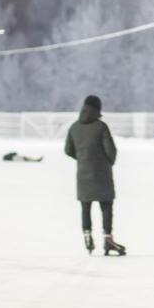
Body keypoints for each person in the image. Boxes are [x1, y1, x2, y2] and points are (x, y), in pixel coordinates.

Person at [64, 95, 125, 256]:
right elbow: (111, 150)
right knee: (106, 205)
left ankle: (87, 236)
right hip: (102, 173)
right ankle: (108, 238)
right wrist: (107, 162)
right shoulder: (101, 127)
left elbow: (68, 150)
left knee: (85, 206)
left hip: (83, 172)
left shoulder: (74, 127)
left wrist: (82, 159)